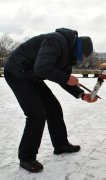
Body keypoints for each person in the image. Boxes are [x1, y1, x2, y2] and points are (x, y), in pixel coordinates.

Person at [4, 28, 98, 173]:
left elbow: (62, 78)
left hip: (32, 75)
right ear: (79, 49)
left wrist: (81, 94)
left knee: (53, 108)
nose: (82, 59)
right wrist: (67, 78)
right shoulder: (56, 41)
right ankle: (26, 158)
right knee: (36, 115)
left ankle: (61, 145)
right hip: (17, 72)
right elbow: (42, 68)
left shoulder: (67, 53)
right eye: (83, 56)